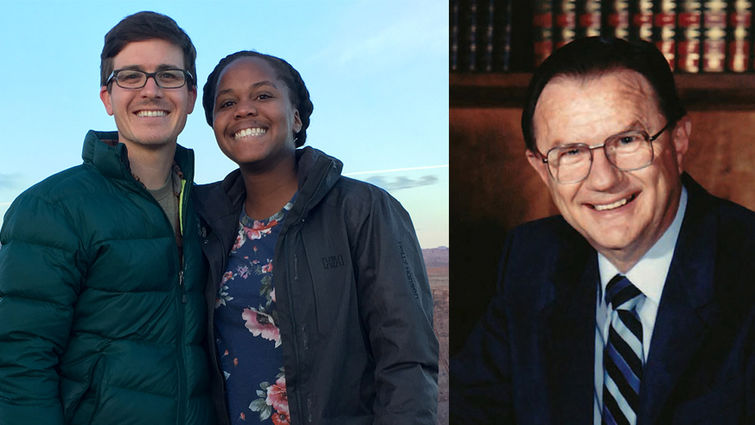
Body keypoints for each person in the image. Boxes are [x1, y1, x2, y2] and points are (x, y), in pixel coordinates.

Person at [450, 37, 755, 425]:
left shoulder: (745, 266)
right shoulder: (533, 261)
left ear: (678, 141)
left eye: (627, 141)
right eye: (572, 153)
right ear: (543, 170)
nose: (604, 179)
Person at [193, 50, 438, 425]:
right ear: (214, 125)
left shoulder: (362, 209)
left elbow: (407, 359)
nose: (244, 110)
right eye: (227, 103)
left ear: (296, 117)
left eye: (262, 96)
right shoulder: (207, 223)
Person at [0, 11, 215, 425]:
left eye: (169, 75)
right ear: (106, 97)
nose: (151, 90)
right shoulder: (53, 208)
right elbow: (18, 364)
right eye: (131, 76)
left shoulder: (207, 209)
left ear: (190, 96)